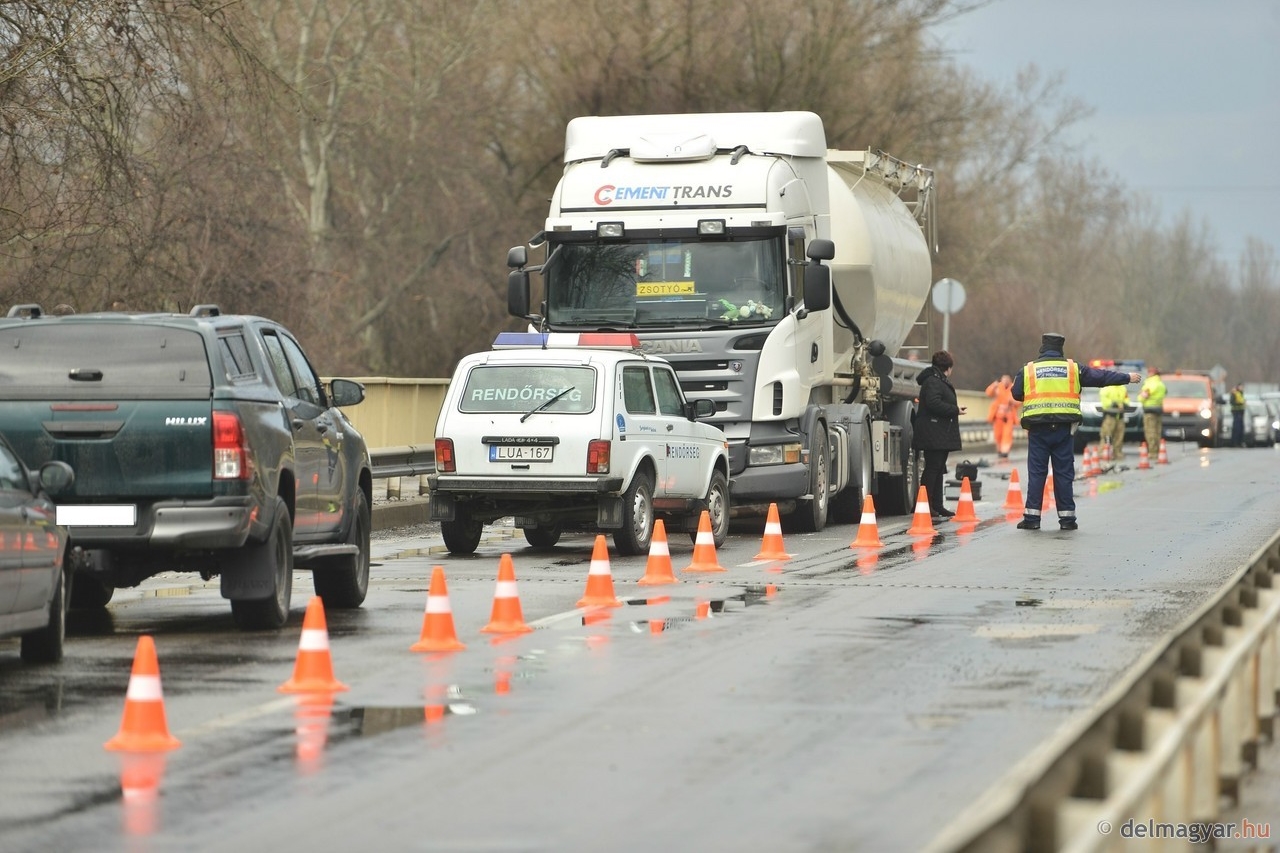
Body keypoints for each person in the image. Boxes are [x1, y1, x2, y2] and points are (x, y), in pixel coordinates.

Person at [1010, 333, 1140, 531]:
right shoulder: (1072, 368)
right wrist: (1126, 378)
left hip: (1038, 429)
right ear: (1061, 348)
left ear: (1042, 348)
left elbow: (1016, 393)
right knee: (1064, 473)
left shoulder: (1028, 369)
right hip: (1064, 430)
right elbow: (1101, 377)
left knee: (1037, 473)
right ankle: (1067, 519)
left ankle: (1032, 519)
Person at [912, 350, 965, 520]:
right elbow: (934, 403)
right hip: (933, 432)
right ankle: (926, 505)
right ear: (948, 368)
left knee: (938, 467)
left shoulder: (936, 379)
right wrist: (954, 410)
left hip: (938, 432)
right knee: (933, 468)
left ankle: (937, 505)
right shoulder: (934, 381)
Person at [984, 374, 1019, 459]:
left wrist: (1013, 402)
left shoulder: (1014, 388)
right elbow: (988, 393)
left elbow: (1019, 400)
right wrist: (993, 385)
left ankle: (1005, 451)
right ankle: (999, 450)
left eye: (1007, 380)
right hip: (998, 417)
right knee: (998, 435)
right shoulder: (997, 387)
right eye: (1004, 380)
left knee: (1007, 435)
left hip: (1008, 417)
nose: (1005, 382)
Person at [1138, 368, 1167, 456]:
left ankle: (1152, 451)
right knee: (1157, 431)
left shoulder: (1150, 384)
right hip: (1158, 409)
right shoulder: (1161, 384)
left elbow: (1143, 396)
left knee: (1150, 432)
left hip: (1149, 410)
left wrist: (1140, 398)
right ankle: (1158, 450)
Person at [1098, 381, 1130, 458]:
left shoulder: (1123, 388)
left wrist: (1124, 404)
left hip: (1120, 416)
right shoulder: (1106, 388)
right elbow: (1105, 401)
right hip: (1110, 416)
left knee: (1119, 436)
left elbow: (1127, 399)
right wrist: (1115, 404)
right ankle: (1103, 453)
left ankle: (1117, 453)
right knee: (1106, 435)